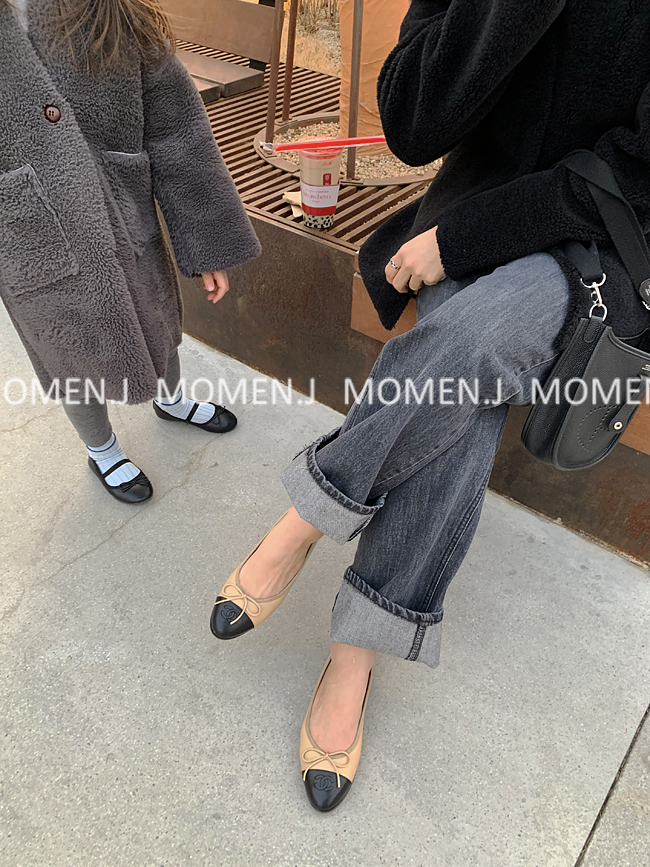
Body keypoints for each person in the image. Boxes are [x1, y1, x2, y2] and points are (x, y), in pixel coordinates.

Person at [210, 0, 650, 812]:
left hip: (607, 239)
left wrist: (460, 240)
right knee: (460, 391)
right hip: (474, 205)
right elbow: (412, 125)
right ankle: (357, 651)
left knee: (473, 337)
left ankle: (309, 514)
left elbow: (639, 172)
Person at [0, 0, 261, 503]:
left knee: (158, 318)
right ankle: (102, 450)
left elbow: (177, 129)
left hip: (123, 213)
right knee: (67, 353)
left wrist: (208, 240)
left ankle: (172, 400)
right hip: (26, 235)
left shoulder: (111, 12)